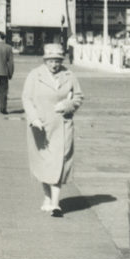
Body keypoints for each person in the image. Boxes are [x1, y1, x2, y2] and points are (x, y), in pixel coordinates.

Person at [22, 43, 83, 217]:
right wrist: (33, 118)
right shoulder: (35, 75)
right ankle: (47, 197)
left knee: (58, 162)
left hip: (62, 125)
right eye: (50, 61)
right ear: (45, 60)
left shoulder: (69, 76)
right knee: (43, 163)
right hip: (40, 126)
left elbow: (79, 96)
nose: (54, 64)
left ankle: (56, 204)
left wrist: (68, 105)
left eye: (57, 61)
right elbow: (27, 98)